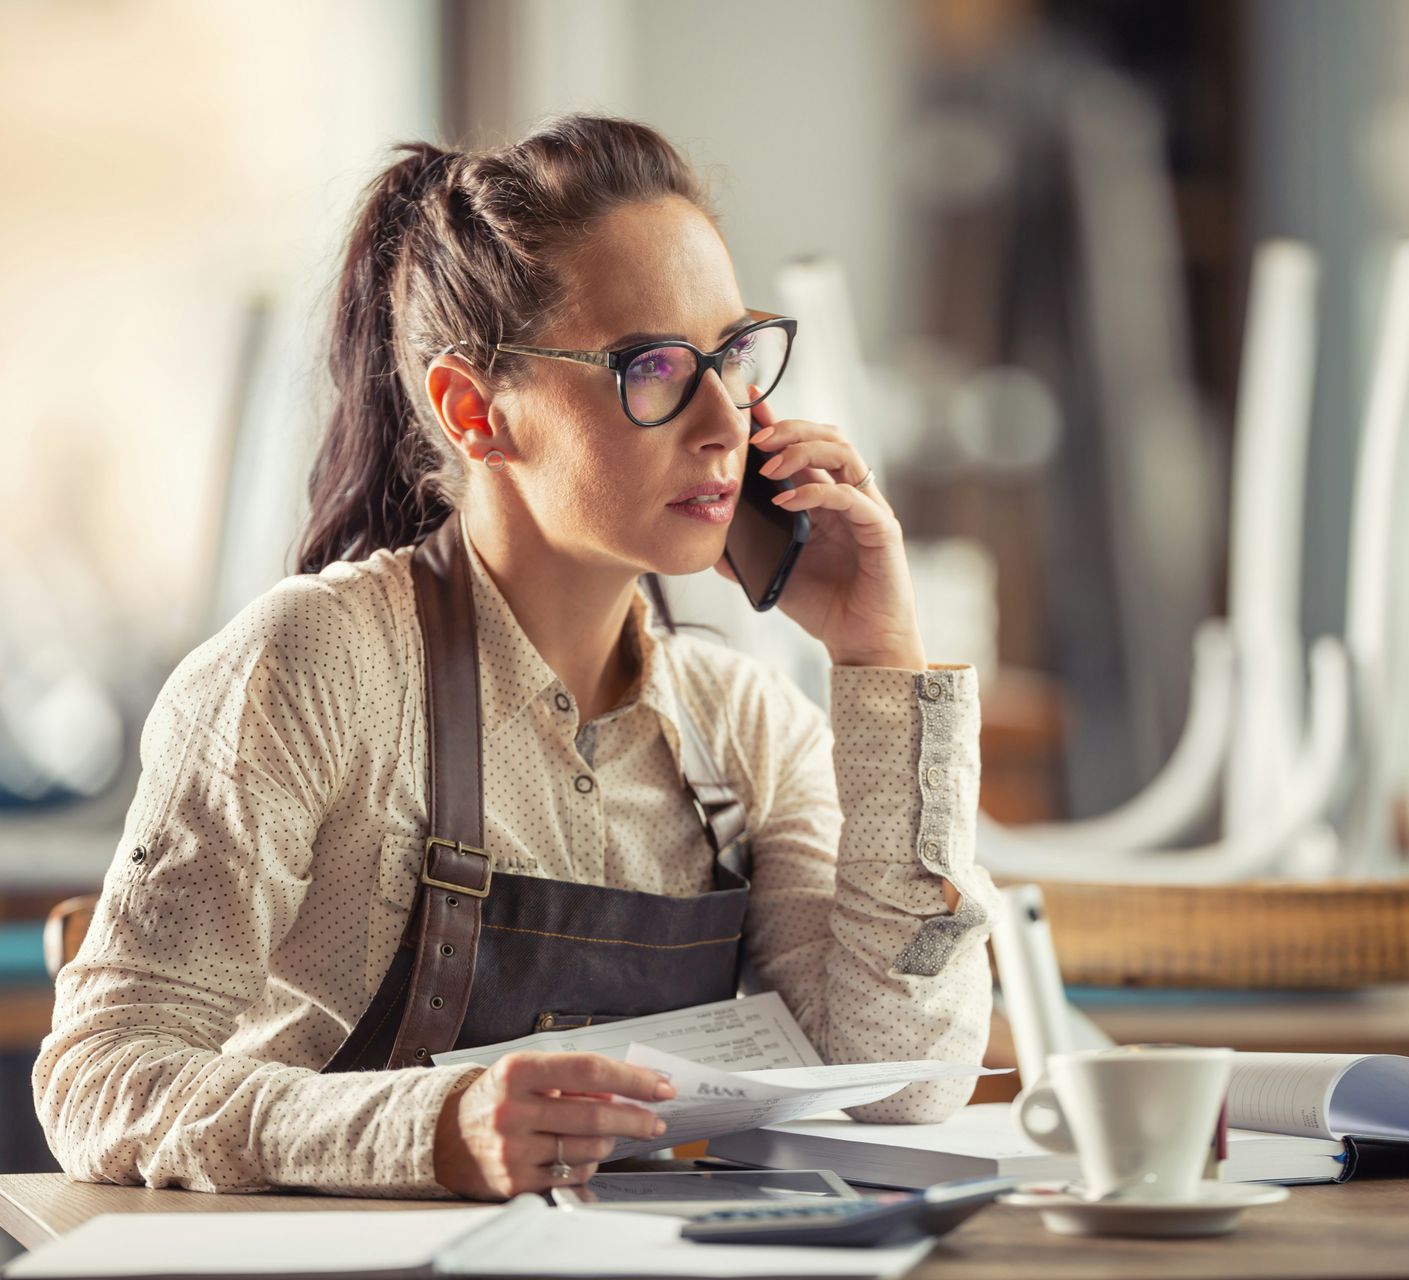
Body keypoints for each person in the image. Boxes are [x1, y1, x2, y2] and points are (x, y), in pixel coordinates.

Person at [32, 113, 999, 1200]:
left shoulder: (746, 724)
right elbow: (99, 1077)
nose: (729, 420)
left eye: (732, 353)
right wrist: (428, 1130)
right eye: (656, 366)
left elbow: (899, 1082)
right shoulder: (316, 665)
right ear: (473, 409)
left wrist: (881, 661)